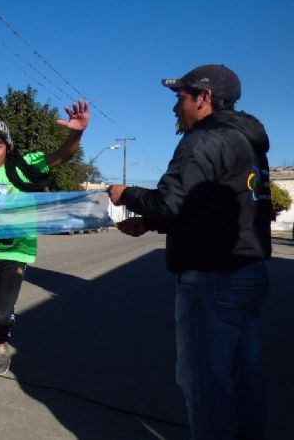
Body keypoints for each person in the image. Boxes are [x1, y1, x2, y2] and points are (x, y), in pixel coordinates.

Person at [107, 65, 271, 439]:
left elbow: (169, 202)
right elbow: (211, 209)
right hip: (248, 274)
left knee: (206, 384)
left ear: (205, 97)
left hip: (212, 280)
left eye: (181, 98)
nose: (175, 108)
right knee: (245, 377)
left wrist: (128, 195)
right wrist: (151, 224)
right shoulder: (247, 142)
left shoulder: (205, 140)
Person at [0, 100, 89, 388]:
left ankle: (2, 341)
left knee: (0, 314)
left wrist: (77, 133)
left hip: (15, 252)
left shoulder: (24, 165)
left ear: (8, 147)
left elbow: (62, 155)